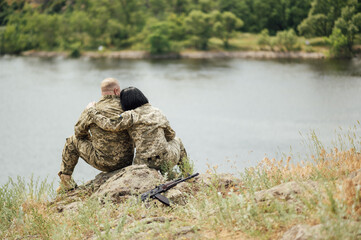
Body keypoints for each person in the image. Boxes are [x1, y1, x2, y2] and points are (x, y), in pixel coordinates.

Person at [86, 87, 187, 175]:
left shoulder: (130, 115)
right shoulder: (157, 112)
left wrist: (91, 110)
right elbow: (171, 135)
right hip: (166, 160)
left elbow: (108, 124)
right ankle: (187, 174)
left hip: (144, 163)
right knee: (177, 140)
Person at [57, 78, 134, 192]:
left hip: (104, 162)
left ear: (102, 92)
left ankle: (66, 181)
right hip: (127, 160)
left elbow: (78, 132)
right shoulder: (128, 106)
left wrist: (93, 139)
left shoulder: (93, 109)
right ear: (117, 90)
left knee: (71, 140)